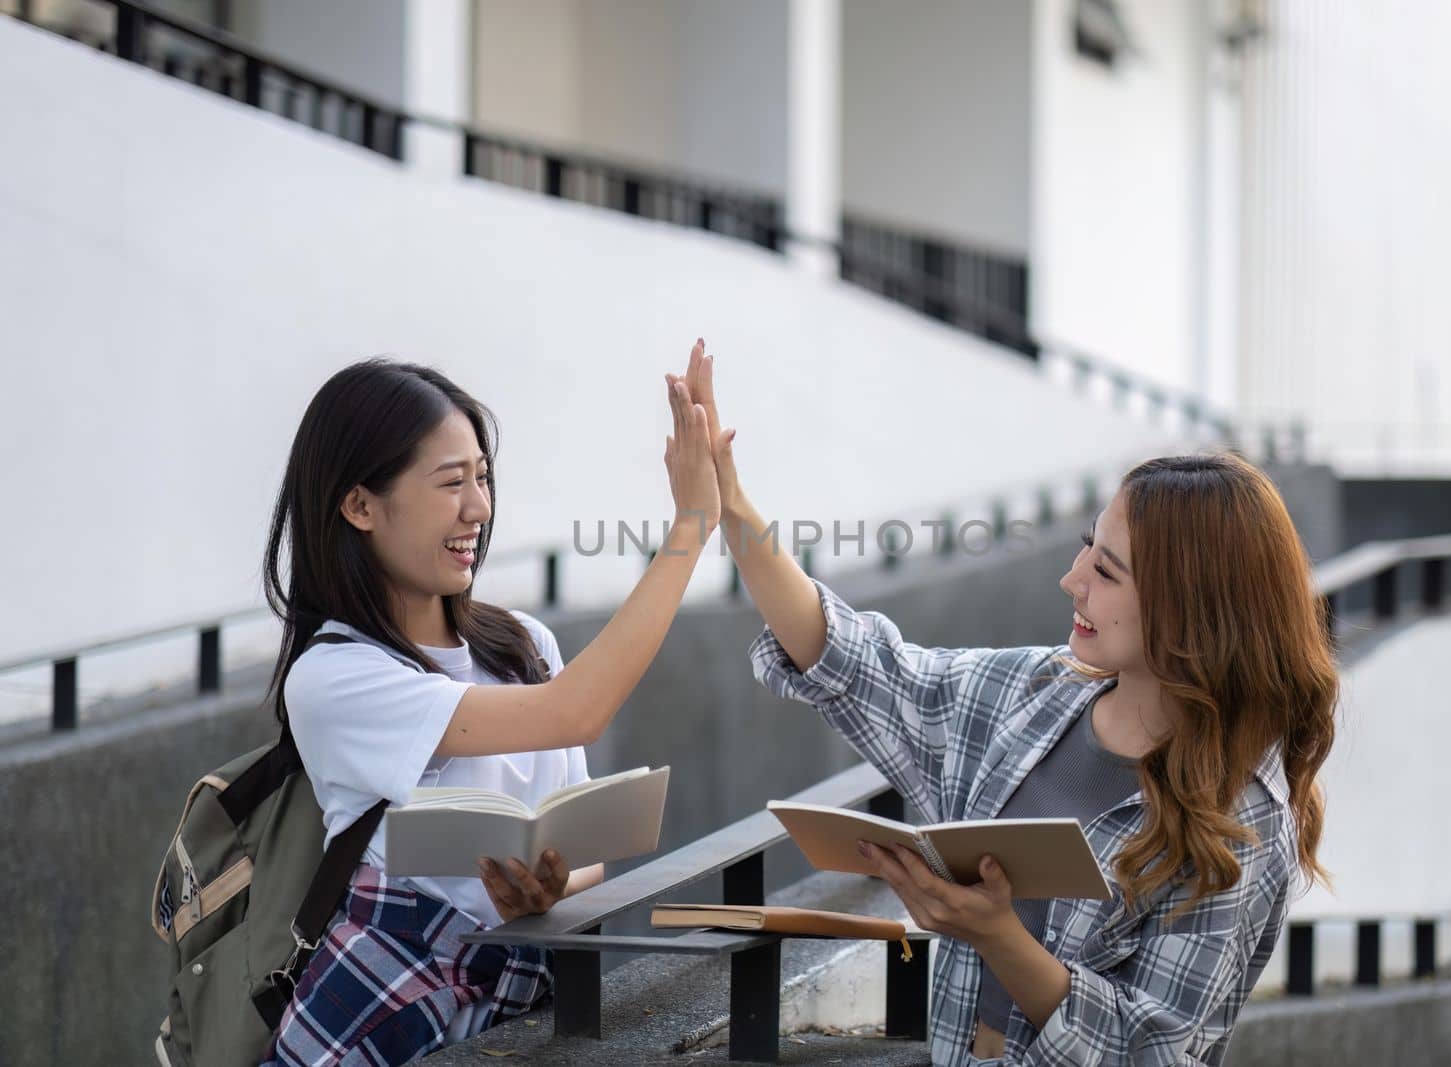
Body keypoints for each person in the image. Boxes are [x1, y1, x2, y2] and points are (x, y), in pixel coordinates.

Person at [668, 347, 1337, 1066]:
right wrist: (729, 507)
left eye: (1106, 570)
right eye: (1087, 549)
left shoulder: (1241, 816)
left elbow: (1157, 1052)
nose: (1071, 579)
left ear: (1190, 611)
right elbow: (858, 663)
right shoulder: (1037, 694)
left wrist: (999, 936)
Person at [260, 349, 726, 1065]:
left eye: (481, 476)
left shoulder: (522, 647)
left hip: (514, 999)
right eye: (451, 482)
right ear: (358, 505)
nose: (478, 506)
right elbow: (578, 711)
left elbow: (585, 846)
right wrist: (690, 527)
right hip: (378, 1016)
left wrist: (550, 886)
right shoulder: (335, 676)